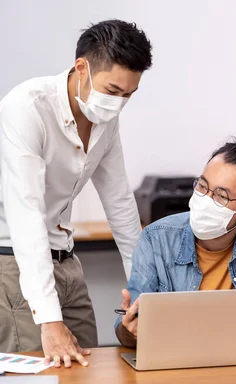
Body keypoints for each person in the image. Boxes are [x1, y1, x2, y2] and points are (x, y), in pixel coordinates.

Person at [0, 20, 152, 367]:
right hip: (13, 264)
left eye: (129, 95)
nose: (118, 104)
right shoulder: (26, 108)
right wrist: (49, 320)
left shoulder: (105, 118)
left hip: (67, 262)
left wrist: (146, 289)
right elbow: (26, 215)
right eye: (113, 90)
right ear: (81, 67)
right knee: (42, 375)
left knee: (91, 368)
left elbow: (121, 205)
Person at [115, 138, 236, 348]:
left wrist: (188, 334)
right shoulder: (156, 237)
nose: (205, 199)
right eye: (202, 186)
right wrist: (129, 331)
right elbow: (131, 321)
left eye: (221, 195)